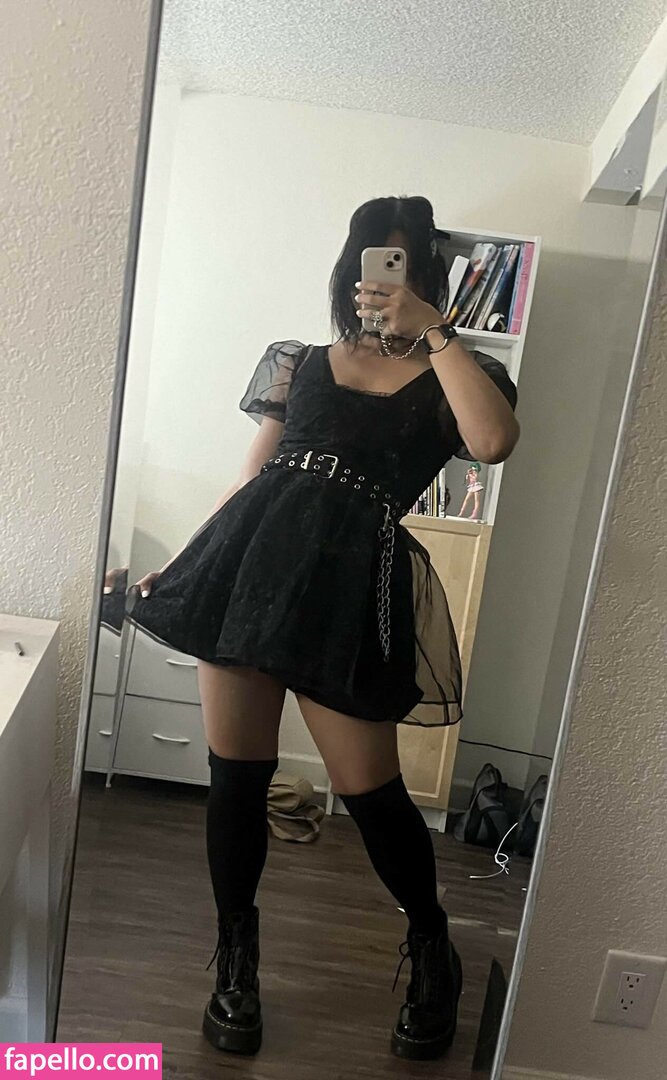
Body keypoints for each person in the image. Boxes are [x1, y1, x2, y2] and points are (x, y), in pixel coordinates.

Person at [126, 195, 520, 1061]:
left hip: (351, 595)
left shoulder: (461, 370)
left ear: (425, 275)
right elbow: (251, 478)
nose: (379, 280)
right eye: (369, 261)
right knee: (237, 780)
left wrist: (435, 330)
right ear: (348, 271)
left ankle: (431, 948)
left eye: (401, 263)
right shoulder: (299, 362)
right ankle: (236, 964)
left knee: (371, 794)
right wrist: (188, 562)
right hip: (250, 574)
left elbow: (492, 443)